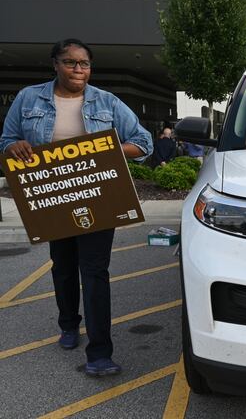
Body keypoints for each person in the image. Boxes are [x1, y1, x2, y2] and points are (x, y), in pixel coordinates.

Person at [0, 39, 153, 377]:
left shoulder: (107, 101)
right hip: (53, 198)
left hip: (98, 197)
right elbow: (6, 141)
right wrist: (14, 147)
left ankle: (100, 353)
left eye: (84, 63)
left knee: (95, 272)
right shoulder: (28, 98)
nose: (78, 69)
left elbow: (144, 144)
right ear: (55, 64)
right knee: (64, 267)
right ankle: (69, 324)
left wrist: (106, 150)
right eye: (70, 62)